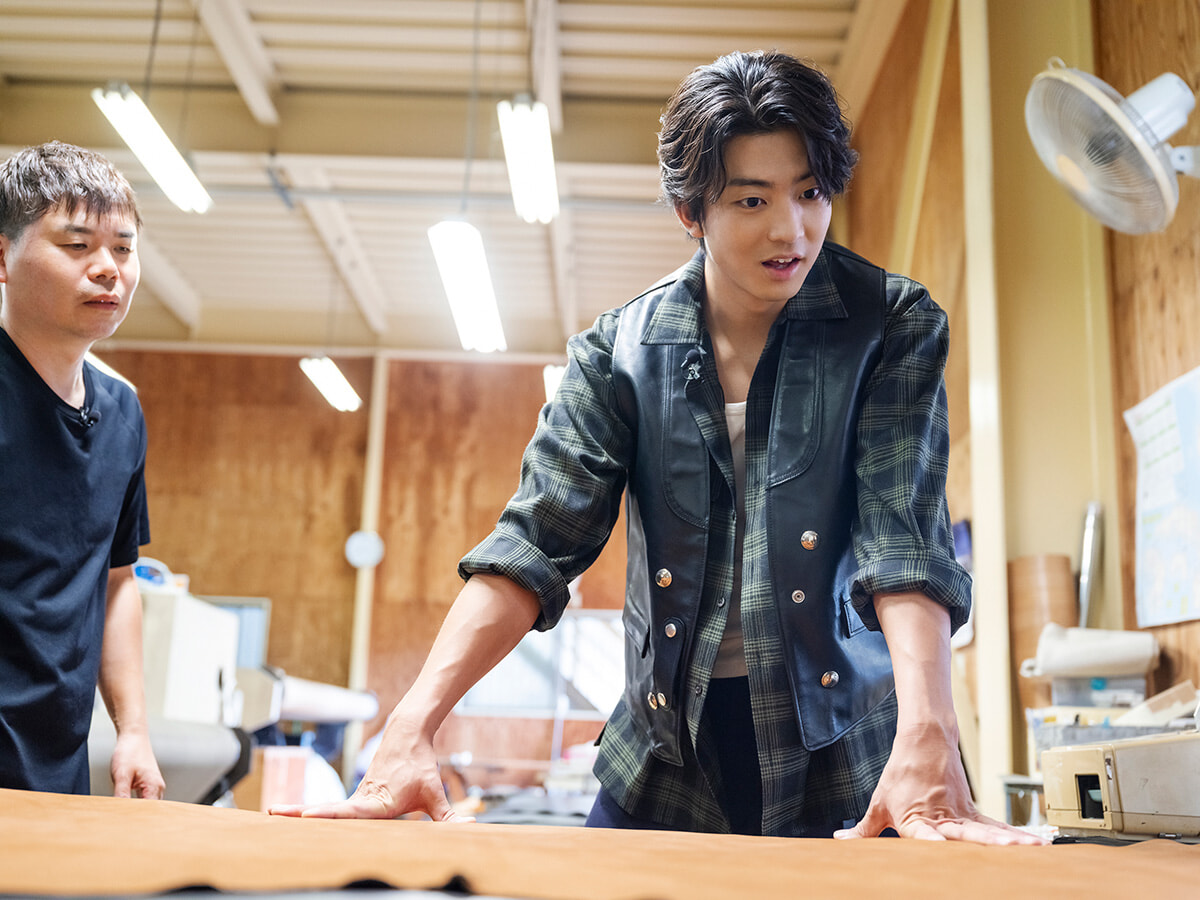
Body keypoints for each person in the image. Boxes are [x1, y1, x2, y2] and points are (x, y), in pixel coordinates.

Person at [272, 51, 1041, 844]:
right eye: (752, 199)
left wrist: (928, 729)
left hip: (847, 745)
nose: (791, 229)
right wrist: (411, 726)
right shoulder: (619, 352)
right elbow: (536, 543)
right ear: (690, 211)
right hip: (669, 749)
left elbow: (902, 540)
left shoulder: (891, 323)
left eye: (810, 192)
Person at [0, 141, 164, 799]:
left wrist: (133, 731)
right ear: (3, 259)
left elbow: (117, 580)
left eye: (123, 249)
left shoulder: (122, 412)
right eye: (76, 246)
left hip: (55, 768)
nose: (107, 269)